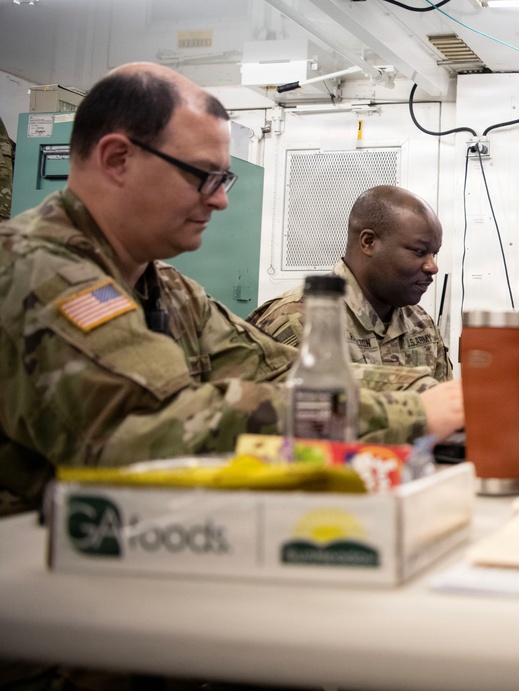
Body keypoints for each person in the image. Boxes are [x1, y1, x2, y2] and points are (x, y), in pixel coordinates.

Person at [0, 63, 464, 515]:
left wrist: (432, 392)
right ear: (117, 159)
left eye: (224, 179)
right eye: (203, 176)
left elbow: (277, 372)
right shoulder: (40, 270)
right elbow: (162, 427)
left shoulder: (166, 288)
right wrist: (412, 415)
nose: (221, 199)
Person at [248, 185, 453, 383]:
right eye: (419, 251)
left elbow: (446, 408)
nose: (432, 267)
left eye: (434, 253)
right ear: (368, 242)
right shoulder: (298, 321)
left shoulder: (421, 324)